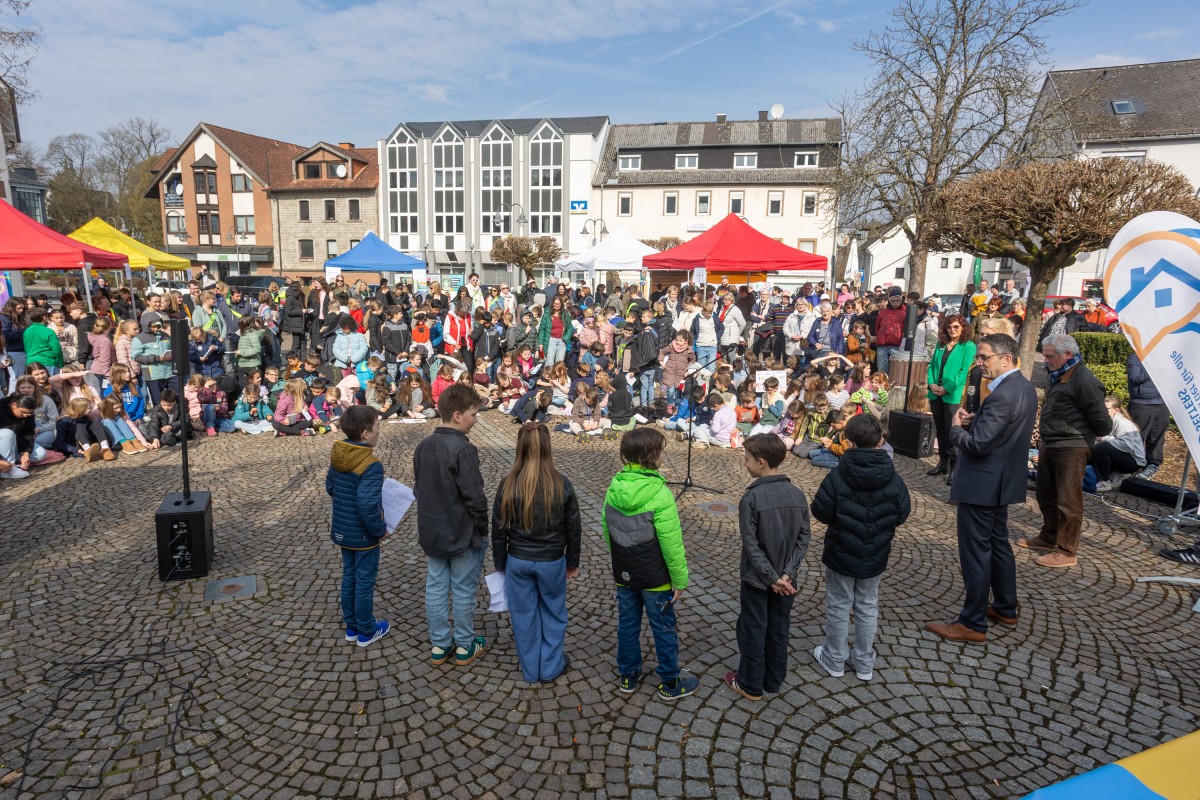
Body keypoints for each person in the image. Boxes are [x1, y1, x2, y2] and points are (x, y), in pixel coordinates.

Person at [925, 333, 1038, 643]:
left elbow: (977, 446)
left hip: (982, 484)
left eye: (983, 357)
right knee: (998, 545)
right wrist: (977, 420)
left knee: (976, 552)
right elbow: (999, 433)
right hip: (1000, 482)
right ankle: (1005, 607)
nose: (979, 363)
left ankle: (972, 623)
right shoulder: (1024, 387)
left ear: (1005, 359)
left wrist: (958, 428)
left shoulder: (1003, 394)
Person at [602, 428, 699, 701]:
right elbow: (671, 544)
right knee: (664, 628)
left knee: (628, 625)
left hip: (625, 574)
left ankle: (628, 675)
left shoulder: (614, 488)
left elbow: (607, 530)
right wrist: (680, 580)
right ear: (653, 456)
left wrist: (621, 561)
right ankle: (670, 682)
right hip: (657, 579)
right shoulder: (661, 493)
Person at [811, 415, 911, 678]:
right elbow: (902, 512)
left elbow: (821, 510)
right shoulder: (893, 477)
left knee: (840, 604)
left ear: (848, 441)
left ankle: (835, 658)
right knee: (867, 604)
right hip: (874, 552)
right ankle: (864, 661)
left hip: (842, 550)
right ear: (880, 441)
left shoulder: (838, 474)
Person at [491, 423, 581, 683]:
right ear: (548, 447)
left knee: (523, 616)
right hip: (552, 560)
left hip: (518, 559)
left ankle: (530, 670)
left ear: (519, 448)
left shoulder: (508, 484)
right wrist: (572, 561)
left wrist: (500, 563)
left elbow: (498, 529)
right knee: (553, 612)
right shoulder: (561, 484)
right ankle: (550, 666)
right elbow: (573, 528)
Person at [723, 434, 811, 701]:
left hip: (757, 579)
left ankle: (750, 683)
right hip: (786, 579)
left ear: (761, 462)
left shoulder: (751, 498)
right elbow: (803, 538)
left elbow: (751, 546)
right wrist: (786, 573)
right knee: (779, 626)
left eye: (747, 460)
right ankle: (773, 679)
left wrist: (772, 577)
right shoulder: (797, 494)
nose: (745, 464)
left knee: (753, 627)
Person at [1017, 334, 1111, 569]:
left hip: (1073, 446)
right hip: (1052, 443)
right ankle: (1049, 538)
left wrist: (1081, 433)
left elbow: (1103, 424)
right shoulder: (1059, 373)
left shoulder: (1084, 380)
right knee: (1045, 493)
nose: (1045, 360)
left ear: (1068, 355)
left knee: (1068, 501)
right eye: (1045, 355)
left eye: (1050, 356)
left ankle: (1067, 551)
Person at [413, 382, 489, 666]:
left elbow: (420, 489)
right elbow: (475, 497)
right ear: (457, 415)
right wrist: (482, 527)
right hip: (461, 531)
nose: (475, 419)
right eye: (473, 414)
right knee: (462, 588)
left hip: (432, 530)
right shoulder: (462, 448)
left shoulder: (424, 446)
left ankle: (440, 644)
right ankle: (464, 645)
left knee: (435, 587)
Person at [325, 405, 390, 647]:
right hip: (363, 535)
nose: (379, 432)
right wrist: (379, 529)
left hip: (343, 530)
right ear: (365, 433)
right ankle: (366, 630)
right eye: (377, 427)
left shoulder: (340, 454)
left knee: (349, 577)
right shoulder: (370, 464)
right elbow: (366, 505)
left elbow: (330, 488)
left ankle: (351, 625)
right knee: (363, 581)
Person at [926, 317, 976, 477]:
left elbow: (964, 371)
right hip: (935, 393)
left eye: (956, 326)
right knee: (940, 429)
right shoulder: (941, 345)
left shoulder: (968, 346)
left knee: (952, 430)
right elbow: (932, 365)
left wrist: (947, 388)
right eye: (949, 327)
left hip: (952, 394)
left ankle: (955, 467)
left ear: (963, 328)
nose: (952, 329)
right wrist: (931, 383)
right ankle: (943, 462)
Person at [1091, 397, 1146, 492]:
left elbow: (1126, 446)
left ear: (1116, 410)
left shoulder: (1123, 423)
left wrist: (1103, 438)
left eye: (1106, 409)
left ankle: (1104, 481)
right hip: (1121, 456)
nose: (1102, 411)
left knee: (1101, 447)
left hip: (1134, 461)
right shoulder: (1106, 421)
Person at [1126, 350, 1167, 481]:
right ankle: (1129, 466)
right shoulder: (1135, 358)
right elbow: (1136, 377)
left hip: (1163, 403)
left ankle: (1153, 465)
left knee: (1157, 436)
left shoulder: (1164, 357)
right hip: (1141, 404)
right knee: (1136, 436)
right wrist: (1153, 367)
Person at [873, 288, 907, 376]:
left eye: (897, 300)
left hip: (897, 346)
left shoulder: (906, 311)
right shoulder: (883, 312)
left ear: (901, 299)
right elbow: (877, 327)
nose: (895, 302)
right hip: (882, 345)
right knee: (882, 370)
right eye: (893, 300)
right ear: (889, 300)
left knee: (896, 369)